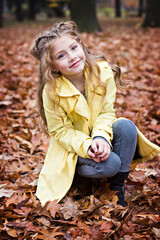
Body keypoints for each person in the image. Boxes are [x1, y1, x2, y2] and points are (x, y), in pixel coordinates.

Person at [30, 21, 160, 207]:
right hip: (74, 148)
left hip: (100, 136)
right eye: (61, 55)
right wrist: (88, 144)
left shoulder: (102, 72)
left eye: (74, 47)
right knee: (110, 164)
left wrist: (101, 138)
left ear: (81, 45)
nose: (72, 57)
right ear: (53, 66)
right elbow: (60, 131)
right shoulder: (52, 91)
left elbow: (106, 113)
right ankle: (77, 175)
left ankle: (116, 188)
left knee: (126, 127)